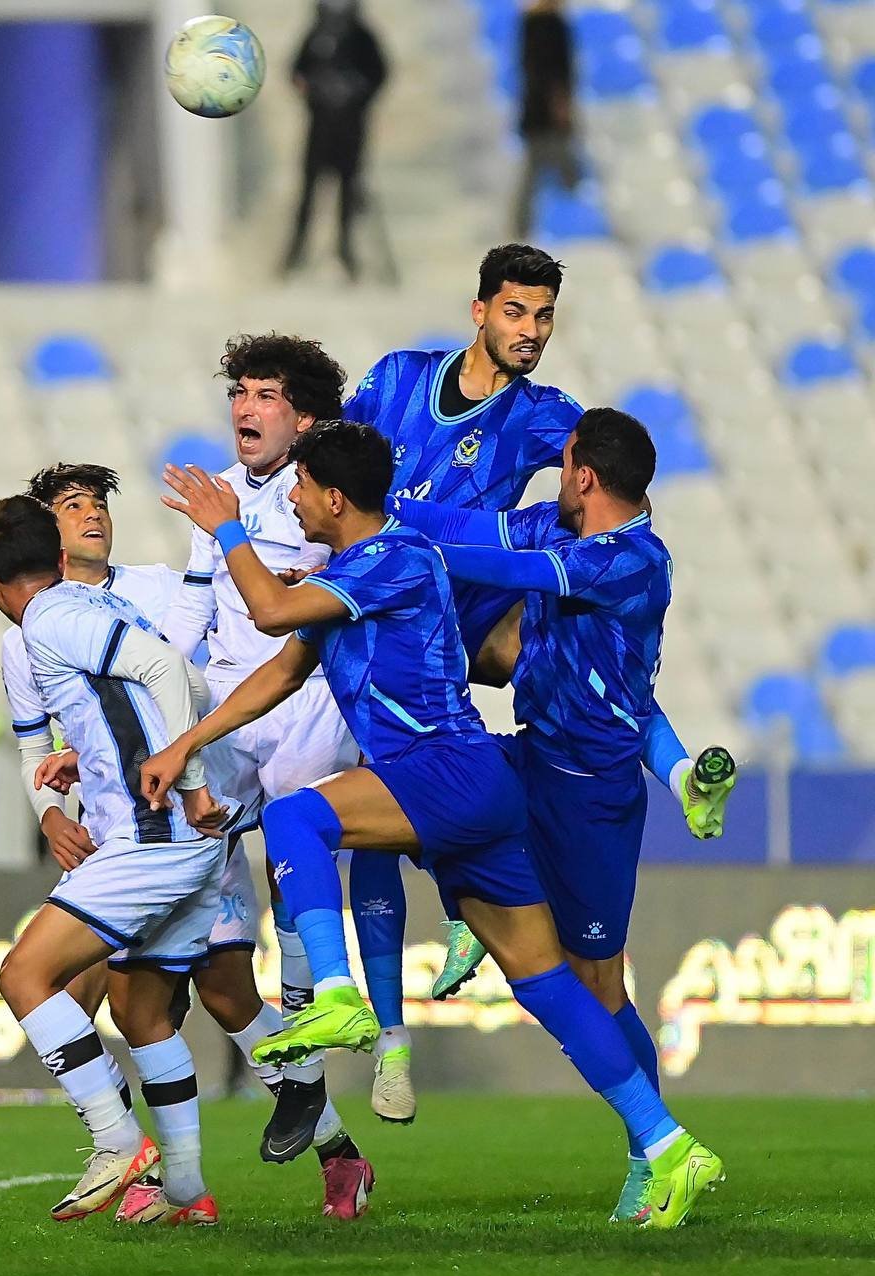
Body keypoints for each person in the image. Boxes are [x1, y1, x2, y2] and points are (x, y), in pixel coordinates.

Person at [142, 420, 726, 1230]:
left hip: (442, 774)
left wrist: (226, 527)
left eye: (301, 488)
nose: (294, 501)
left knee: (296, 819)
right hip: (480, 784)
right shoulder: (360, 568)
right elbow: (282, 668)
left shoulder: (386, 560)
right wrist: (186, 742)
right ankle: (668, 1146)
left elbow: (270, 612)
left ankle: (342, 996)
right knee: (547, 982)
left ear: (334, 496)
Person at [343, 244, 732, 1124]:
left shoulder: (552, 419)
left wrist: (418, 536)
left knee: (582, 669)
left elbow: (586, 500)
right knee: (413, 795)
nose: (531, 331)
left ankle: (652, 1139)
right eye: (517, 312)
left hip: (478, 613)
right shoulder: (397, 378)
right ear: (479, 310)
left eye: (545, 316)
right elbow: (336, 462)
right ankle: (411, 991)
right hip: (396, 607)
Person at [391, 409, 733, 1221]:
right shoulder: (557, 521)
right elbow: (467, 523)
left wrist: (405, 554)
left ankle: (655, 1155)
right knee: (414, 794)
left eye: (564, 461)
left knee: (599, 988)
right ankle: (472, 901)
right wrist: (383, 507)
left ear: (583, 474)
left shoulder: (634, 560)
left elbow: (518, 574)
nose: (554, 471)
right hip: (534, 756)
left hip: (591, 796)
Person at [162, 334, 375, 1216]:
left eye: (266, 395)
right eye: (240, 392)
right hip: (227, 716)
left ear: (307, 414)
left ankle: (289, 1085)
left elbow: (325, 596)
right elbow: (186, 615)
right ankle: (323, 1130)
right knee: (208, 952)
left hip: (307, 699)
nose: (246, 408)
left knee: (295, 884)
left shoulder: (329, 494)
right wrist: (154, 722)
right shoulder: (220, 493)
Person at [0, 494, 228, 1226]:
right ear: (56, 557)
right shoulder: (99, 610)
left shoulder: (48, 620)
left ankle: (117, 1141)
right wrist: (95, 754)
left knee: (24, 974)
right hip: (185, 835)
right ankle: (185, 1190)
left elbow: (164, 673)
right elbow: (193, 679)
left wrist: (190, 779)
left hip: (153, 833)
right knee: (143, 1011)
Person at [281, 0, 387, 280]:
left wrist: (353, 94)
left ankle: (347, 254)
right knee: (308, 195)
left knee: (348, 195)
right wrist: (315, 91)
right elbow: (295, 71)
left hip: (350, 130)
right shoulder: (316, 35)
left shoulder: (363, 37)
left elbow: (379, 74)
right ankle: (295, 256)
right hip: (319, 128)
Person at [513, 0, 578, 239]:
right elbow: (549, 70)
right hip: (544, 113)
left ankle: (527, 226)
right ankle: (530, 226)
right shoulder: (544, 24)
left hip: (539, 110)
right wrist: (559, 105)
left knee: (539, 172)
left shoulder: (536, 22)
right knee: (560, 171)